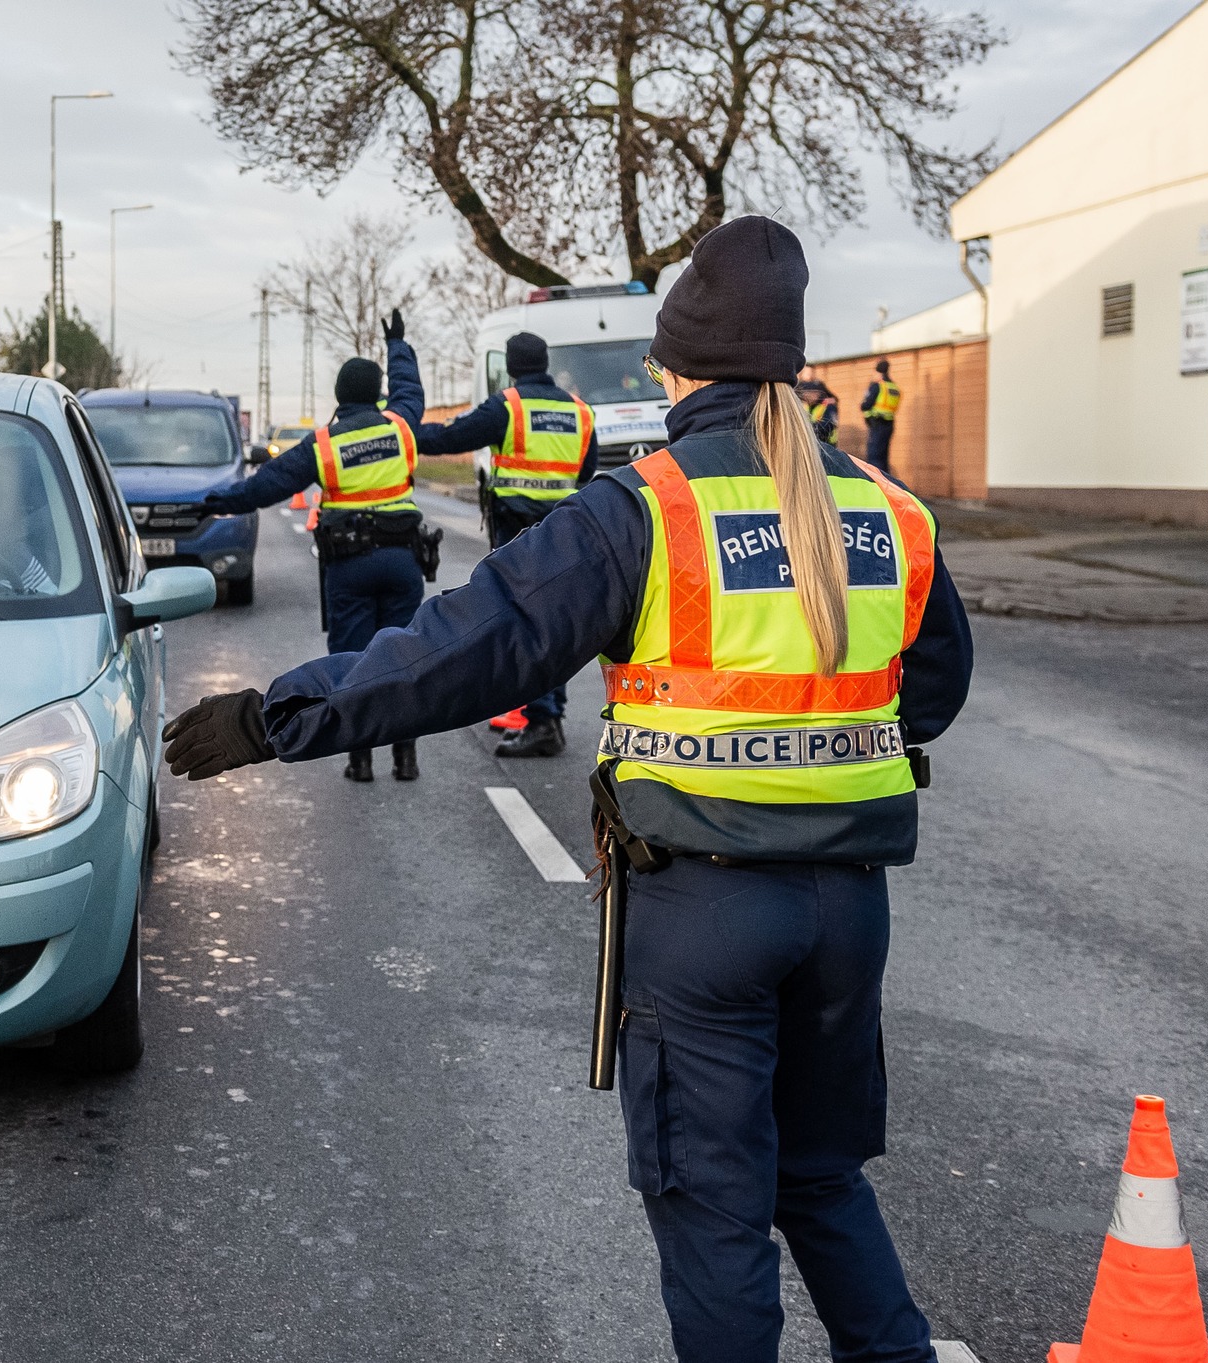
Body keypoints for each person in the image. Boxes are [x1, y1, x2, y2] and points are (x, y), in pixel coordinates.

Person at [160, 215, 972, 1363]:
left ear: (675, 368)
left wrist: (273, 714)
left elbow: (458, 653)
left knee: (710, 1207)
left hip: (703, 915)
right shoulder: (891, 514)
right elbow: (923, 696)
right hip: (847, 912)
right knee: (818, 1176)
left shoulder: (646, 507)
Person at [197, 308, 430, 783]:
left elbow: (268, 485)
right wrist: (398, 347)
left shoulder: (324, 444)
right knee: (407, 657)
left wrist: (216, 500)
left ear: (340, 396)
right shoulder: (401, 425)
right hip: (403, 559)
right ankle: (405, 758)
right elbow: (410, 392)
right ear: (376, 394)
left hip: (350, 565)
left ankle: (359, 759)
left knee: (352, 660)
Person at [413, 330, 597, 758]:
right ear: (545, 362)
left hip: (517, 529)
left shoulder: (509, 406)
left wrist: (406, 434)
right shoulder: (580, 411)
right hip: (565, 527)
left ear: (512, 367)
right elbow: (586, 469)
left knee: (525, 623)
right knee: (554, 623)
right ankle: (548, 715)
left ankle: (543, 722)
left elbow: (451, 438)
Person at [861, 358, 901, 471]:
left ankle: (875, 484)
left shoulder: (878, 386)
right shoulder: (894, 387)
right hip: (889, 424)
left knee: (874, 457)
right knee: (884, 457)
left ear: (878, 372)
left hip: (877, 424)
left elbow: (865, 405)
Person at [798, 375, 839, 444]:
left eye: (811, 394)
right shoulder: (804, 406)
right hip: (811, 443)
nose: (808, 396)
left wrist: (805, 429)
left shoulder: (828, 406)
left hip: (827, 445)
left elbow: (827, 425)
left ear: (818, 394)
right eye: (805, 394)